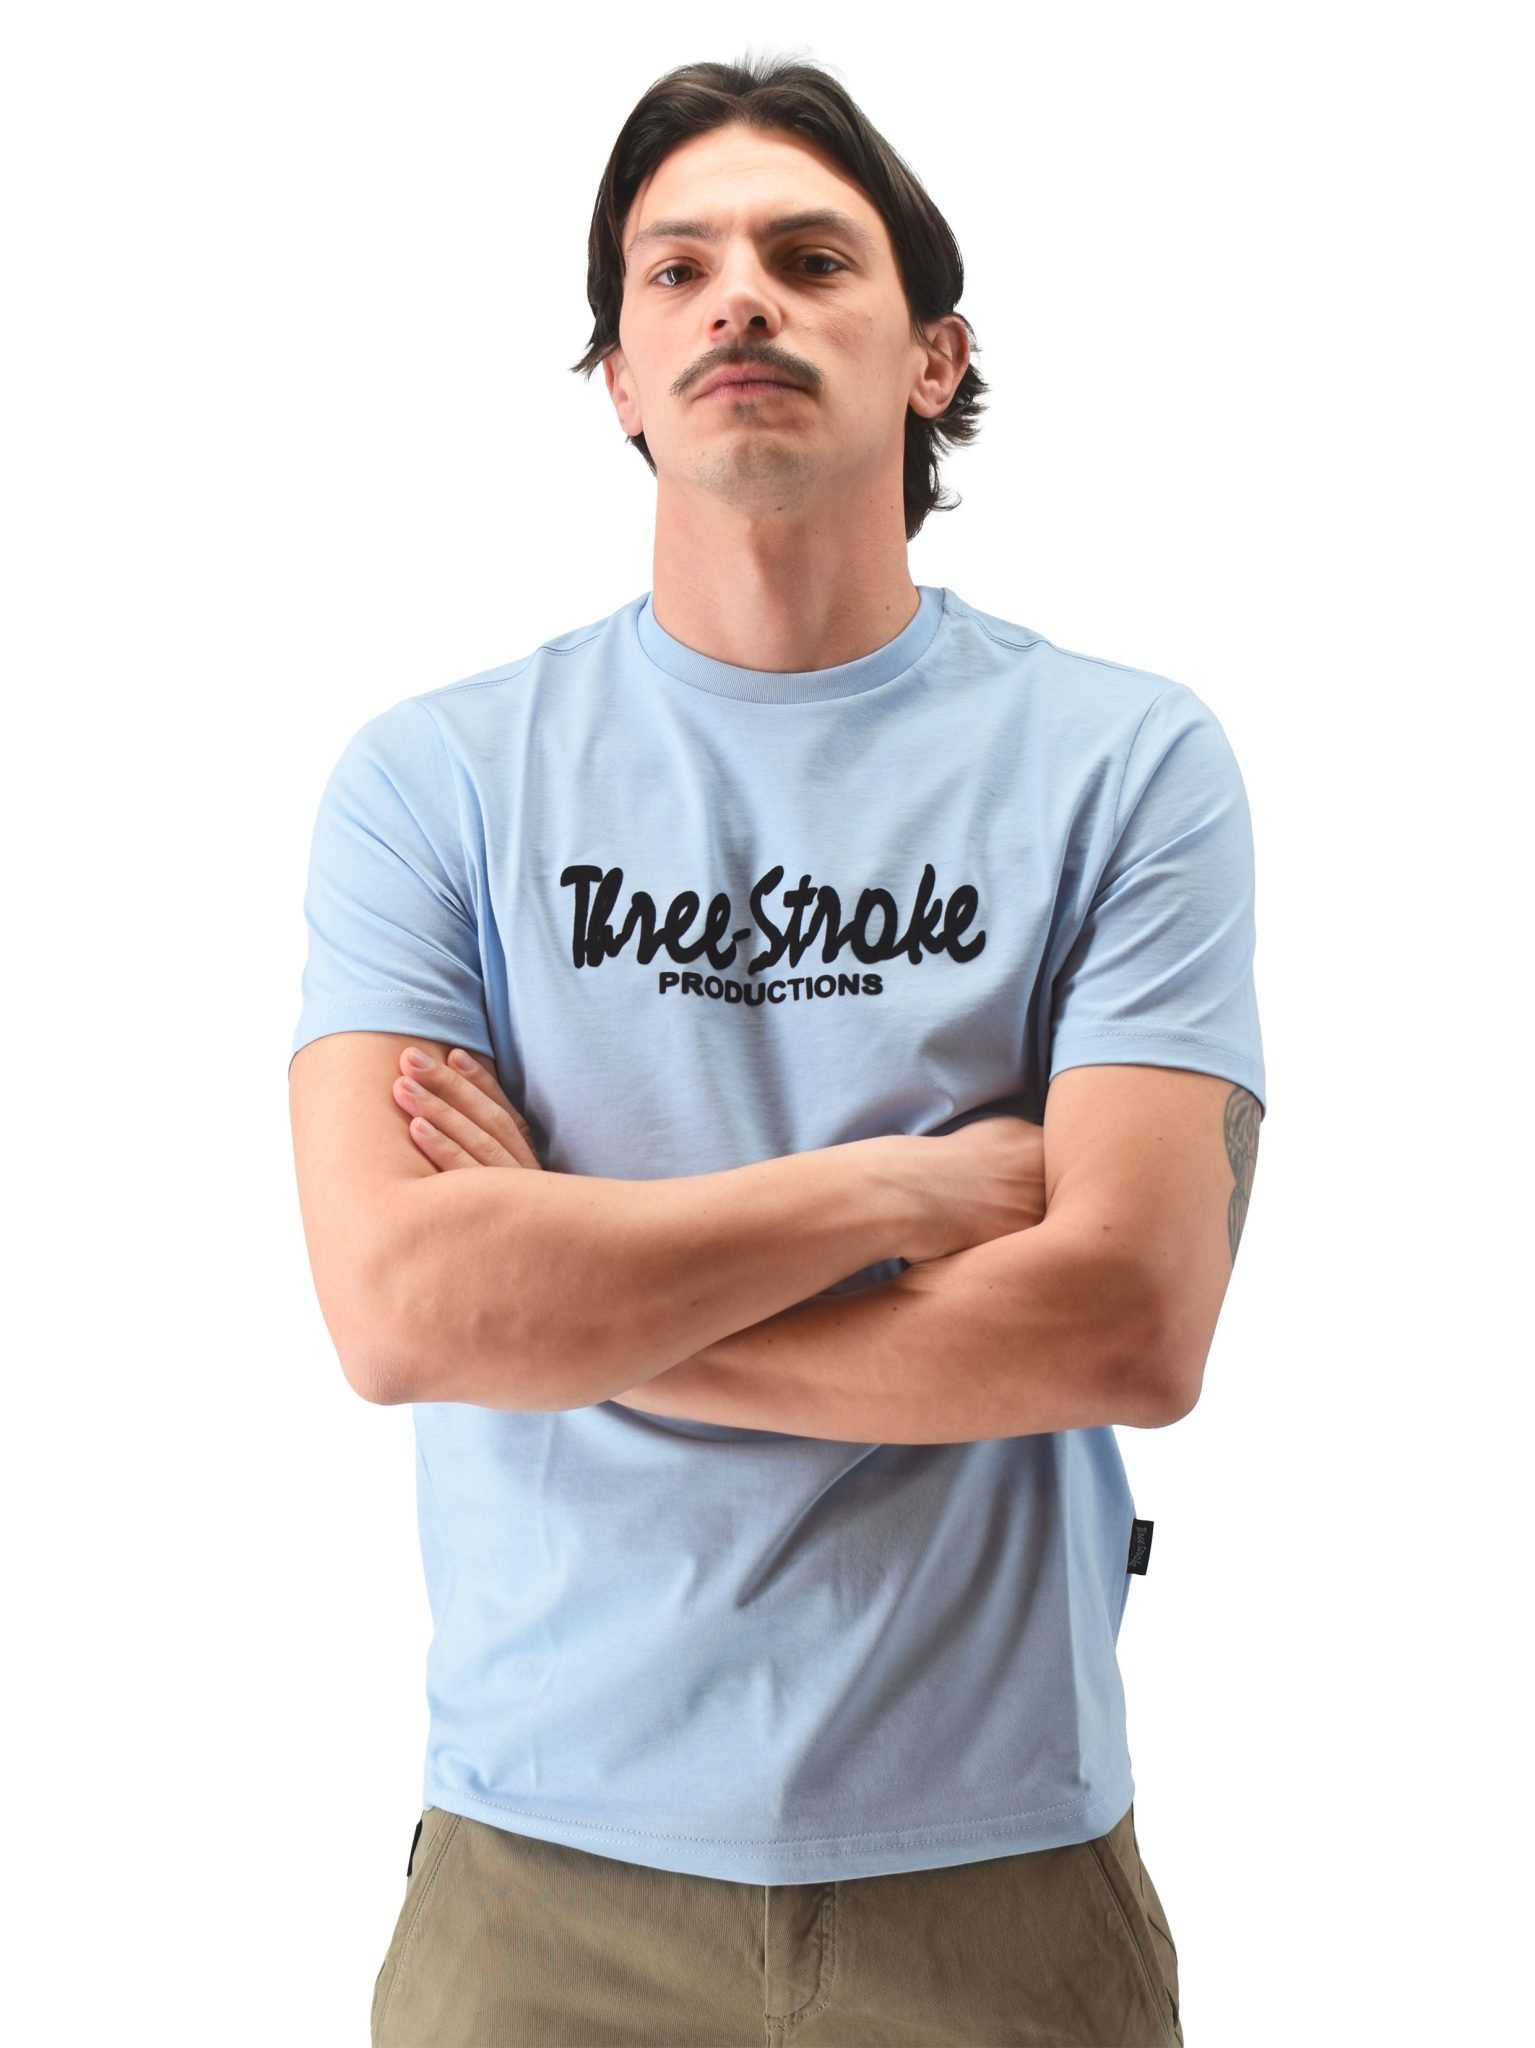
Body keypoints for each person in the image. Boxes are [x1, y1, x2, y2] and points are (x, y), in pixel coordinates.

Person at [289, 51, 1264, 2047]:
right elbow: (401, 1312)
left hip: (997, 1883)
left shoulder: (1123, 763)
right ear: (622, 381)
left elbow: (1127, 1327)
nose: (739, 295)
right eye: (677, 270)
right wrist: (902, 1188)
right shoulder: (435, 783)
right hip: (538, 1889)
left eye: (812, 258)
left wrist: (575, 1304)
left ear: (932, 357)